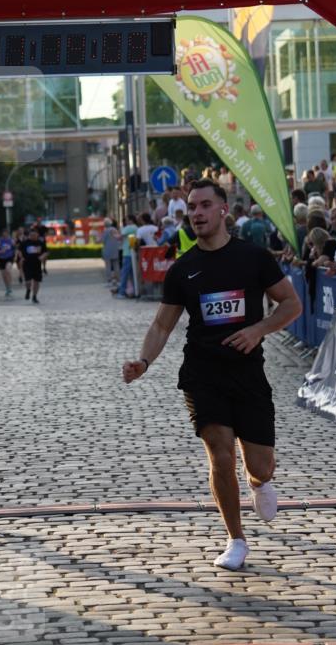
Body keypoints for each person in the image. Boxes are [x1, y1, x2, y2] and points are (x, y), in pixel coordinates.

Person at [122, 179, 302, 571]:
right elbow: (161, 326)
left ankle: (258, 482)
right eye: (192, 207)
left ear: (224, 210)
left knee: (261, 464)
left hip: (249, 374)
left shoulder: (253, 258)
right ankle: (235, 539)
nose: (197, 213)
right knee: (220, 454)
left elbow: (291, 304)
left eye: (205, 205)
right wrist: (143, 362)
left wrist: (258, 330)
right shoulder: (183, 270)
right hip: (202, 374)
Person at [17, 227, 47, 303]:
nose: (33, 236)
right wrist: (22, 257)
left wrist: (42, 256)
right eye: (31, 235)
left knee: (36, 282)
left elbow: (46, 252)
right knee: (28, 281)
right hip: (27, 264)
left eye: (34, 235)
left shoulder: (40, 243)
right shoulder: (25, 243)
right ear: (29, 235)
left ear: (37, 235)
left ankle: (34, 296)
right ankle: (28, 290)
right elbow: (19, 251)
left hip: (37, 264)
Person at [117, 215, 139, 298]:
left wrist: (114, 233)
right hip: (132, 253)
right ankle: (134, 291)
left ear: (130, 220)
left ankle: (122, 292)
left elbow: (119, 237)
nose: (125, 222)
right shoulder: (136, 227)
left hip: (127, 253)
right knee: (132, 274)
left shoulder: (129, 227)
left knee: (124, 273)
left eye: (126, 220)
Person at [0, 229, 17, 297]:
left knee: (8, 270)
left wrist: (15, 256)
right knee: (4, 275)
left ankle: (10, 286)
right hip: (1, 259)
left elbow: (15, 249)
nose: (5, 234)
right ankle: (7, 288)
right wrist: (1, 251)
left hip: (9, 258)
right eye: (4, 233)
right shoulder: (0, 241)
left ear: (8, 233)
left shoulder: (11, 241)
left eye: (6, 233)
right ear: (2, 234)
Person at [101, 218, 121, 289]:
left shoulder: (105, 231)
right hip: (115, 249)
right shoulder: (115, 230)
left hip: (107, 250)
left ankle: (109, 281)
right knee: (116, 265)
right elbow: (119, 238)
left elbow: (102, 240)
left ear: (105, 224)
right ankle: (118, 281)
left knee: (108, 266)